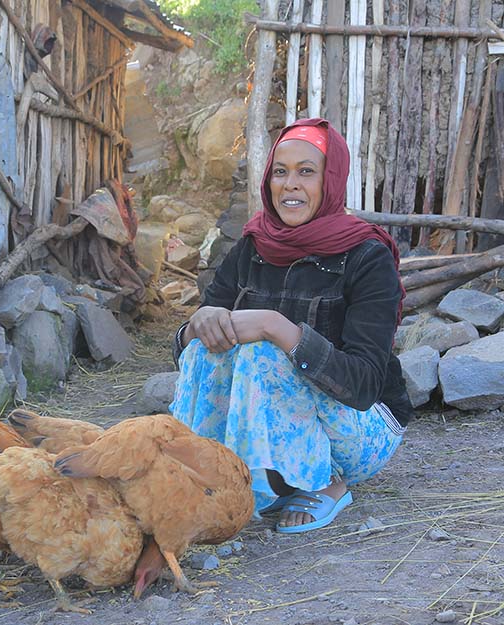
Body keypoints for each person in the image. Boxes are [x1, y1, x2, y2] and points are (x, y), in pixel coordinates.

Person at [169, 118, 413, 534]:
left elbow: (363, 385)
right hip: (285, 423)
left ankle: (324, 483)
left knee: (263, 352)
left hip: (360, 430)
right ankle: (209, 477)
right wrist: (197, 324)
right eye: (280, 172)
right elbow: (192, 362)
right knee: (205, 347)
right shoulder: (250, 248)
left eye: (306, 171)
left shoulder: (366, 257)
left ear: (330, 179)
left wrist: (277, 328)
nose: (290, 184)